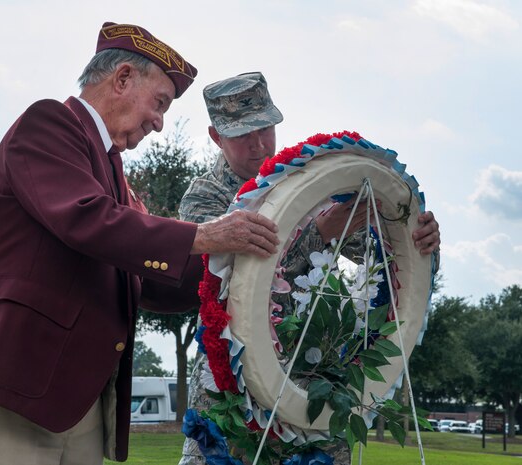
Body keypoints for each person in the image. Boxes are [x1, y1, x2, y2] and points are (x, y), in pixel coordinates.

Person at [0, 25, 279, 465]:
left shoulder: (113, 172)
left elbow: (143, 277)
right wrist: (203, 235)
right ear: (121, 79)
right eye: (159, 103)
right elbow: (88, 220)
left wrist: (235, 271)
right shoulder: (49, 124)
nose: (159, 122)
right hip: (14, 385)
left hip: (75, 400)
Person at [178, 72, 441, 465]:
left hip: (318, 384)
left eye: (265, 128)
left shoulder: (310, 183)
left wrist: (420, 243)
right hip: (235, 393)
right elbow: (239, 279)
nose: (258, 143)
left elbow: (382, 259)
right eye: (242, 133)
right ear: (216, 137)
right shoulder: (205, 200)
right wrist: (322, 230)